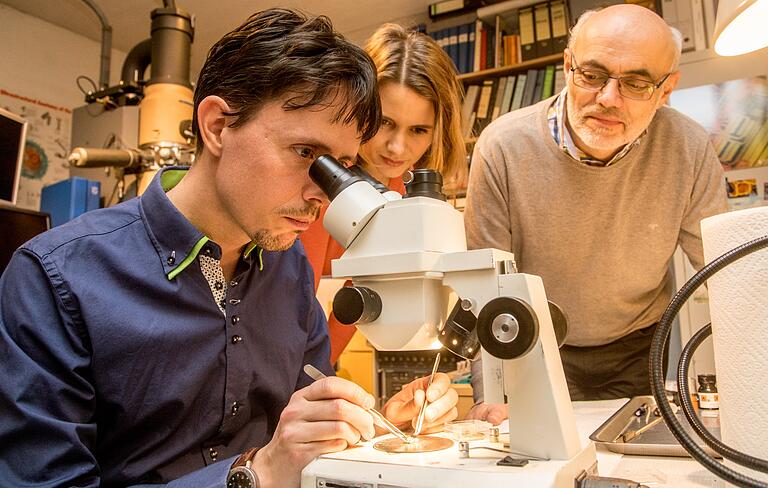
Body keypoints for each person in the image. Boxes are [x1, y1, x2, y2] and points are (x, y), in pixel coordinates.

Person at [0, 9, 458, 488]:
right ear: (218, 125)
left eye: (342, 165)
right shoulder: (54, 280)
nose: (323, 194)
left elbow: (303, 438)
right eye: (306, 154)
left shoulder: (291, 268)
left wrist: (375, 431)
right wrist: (252, 474)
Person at [464, 4, 728, 423]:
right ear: (568, 66)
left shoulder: (689, 148)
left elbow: (726, 275)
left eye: (637, 83)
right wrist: (491, 390)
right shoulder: (501, 148)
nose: (608, 98)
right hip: (531, 341)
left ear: (666, 90)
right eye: (592, 75)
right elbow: (484, 289)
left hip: (636, 346)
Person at [299, 23, 467, 364]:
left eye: (418, 130)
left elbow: (365, 300)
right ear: (360, 111)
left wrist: (318, 372)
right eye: (385, 122)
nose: (397, 147)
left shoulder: (398, 190)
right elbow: (291, 308)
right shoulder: (313, 188)